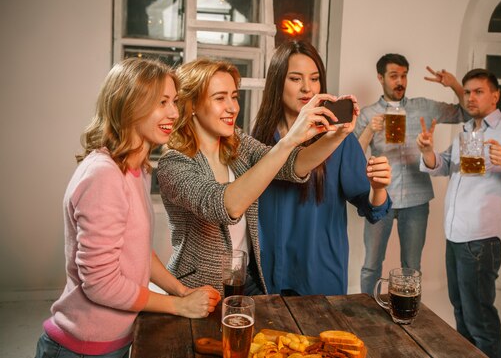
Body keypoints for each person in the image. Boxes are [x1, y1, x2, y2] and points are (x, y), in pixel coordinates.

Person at [35, 58, 221, 358]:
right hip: (80, 348)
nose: (174, 113)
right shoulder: (104, 175)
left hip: (115, 342)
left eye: (174, 101)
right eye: (162, 102)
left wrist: (180, 290)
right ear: (129, 104)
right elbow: (100, 283)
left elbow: (136, 251)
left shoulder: (137, 170)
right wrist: (177, 306)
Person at [157, 58, 353, 297]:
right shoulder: (174, 163)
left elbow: (291, 164)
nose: (232, 107)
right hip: (196, 289)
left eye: (234, 96)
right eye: (220, 98)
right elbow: (226, 205)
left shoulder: (236, 144)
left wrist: (337, 136)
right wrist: (290, 139)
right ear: (192, 105)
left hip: (243, 281)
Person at [418, 68, 501, 358]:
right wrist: (428, 151)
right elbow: (445, 164)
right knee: (462, 313)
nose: (471, 97)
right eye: (467, 92)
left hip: (480, 239)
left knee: (480, 320)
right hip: (455, 235)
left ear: (495, 95)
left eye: (478, 91)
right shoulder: (467, 131)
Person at [252, 40, 392, 296]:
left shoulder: (339, 140)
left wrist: (379, 187)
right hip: (266, 272)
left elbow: (372, 208)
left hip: (319, 275)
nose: (307, 88)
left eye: (315, 79)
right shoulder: (259, 138)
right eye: (295, 78)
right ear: (276, 83)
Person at [355, 53, 468, 295]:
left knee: (412, 267)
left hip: (416, 200)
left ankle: (407, 312)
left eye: (404, 76)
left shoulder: (423, 107)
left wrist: (455, 85)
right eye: (394, 76)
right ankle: (364, 311)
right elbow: (352, 156)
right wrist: (368, 130)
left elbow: (464, 113)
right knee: (371, 265)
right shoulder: (368, 114)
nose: (400, 82)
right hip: (380, 199)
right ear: (380, 77)